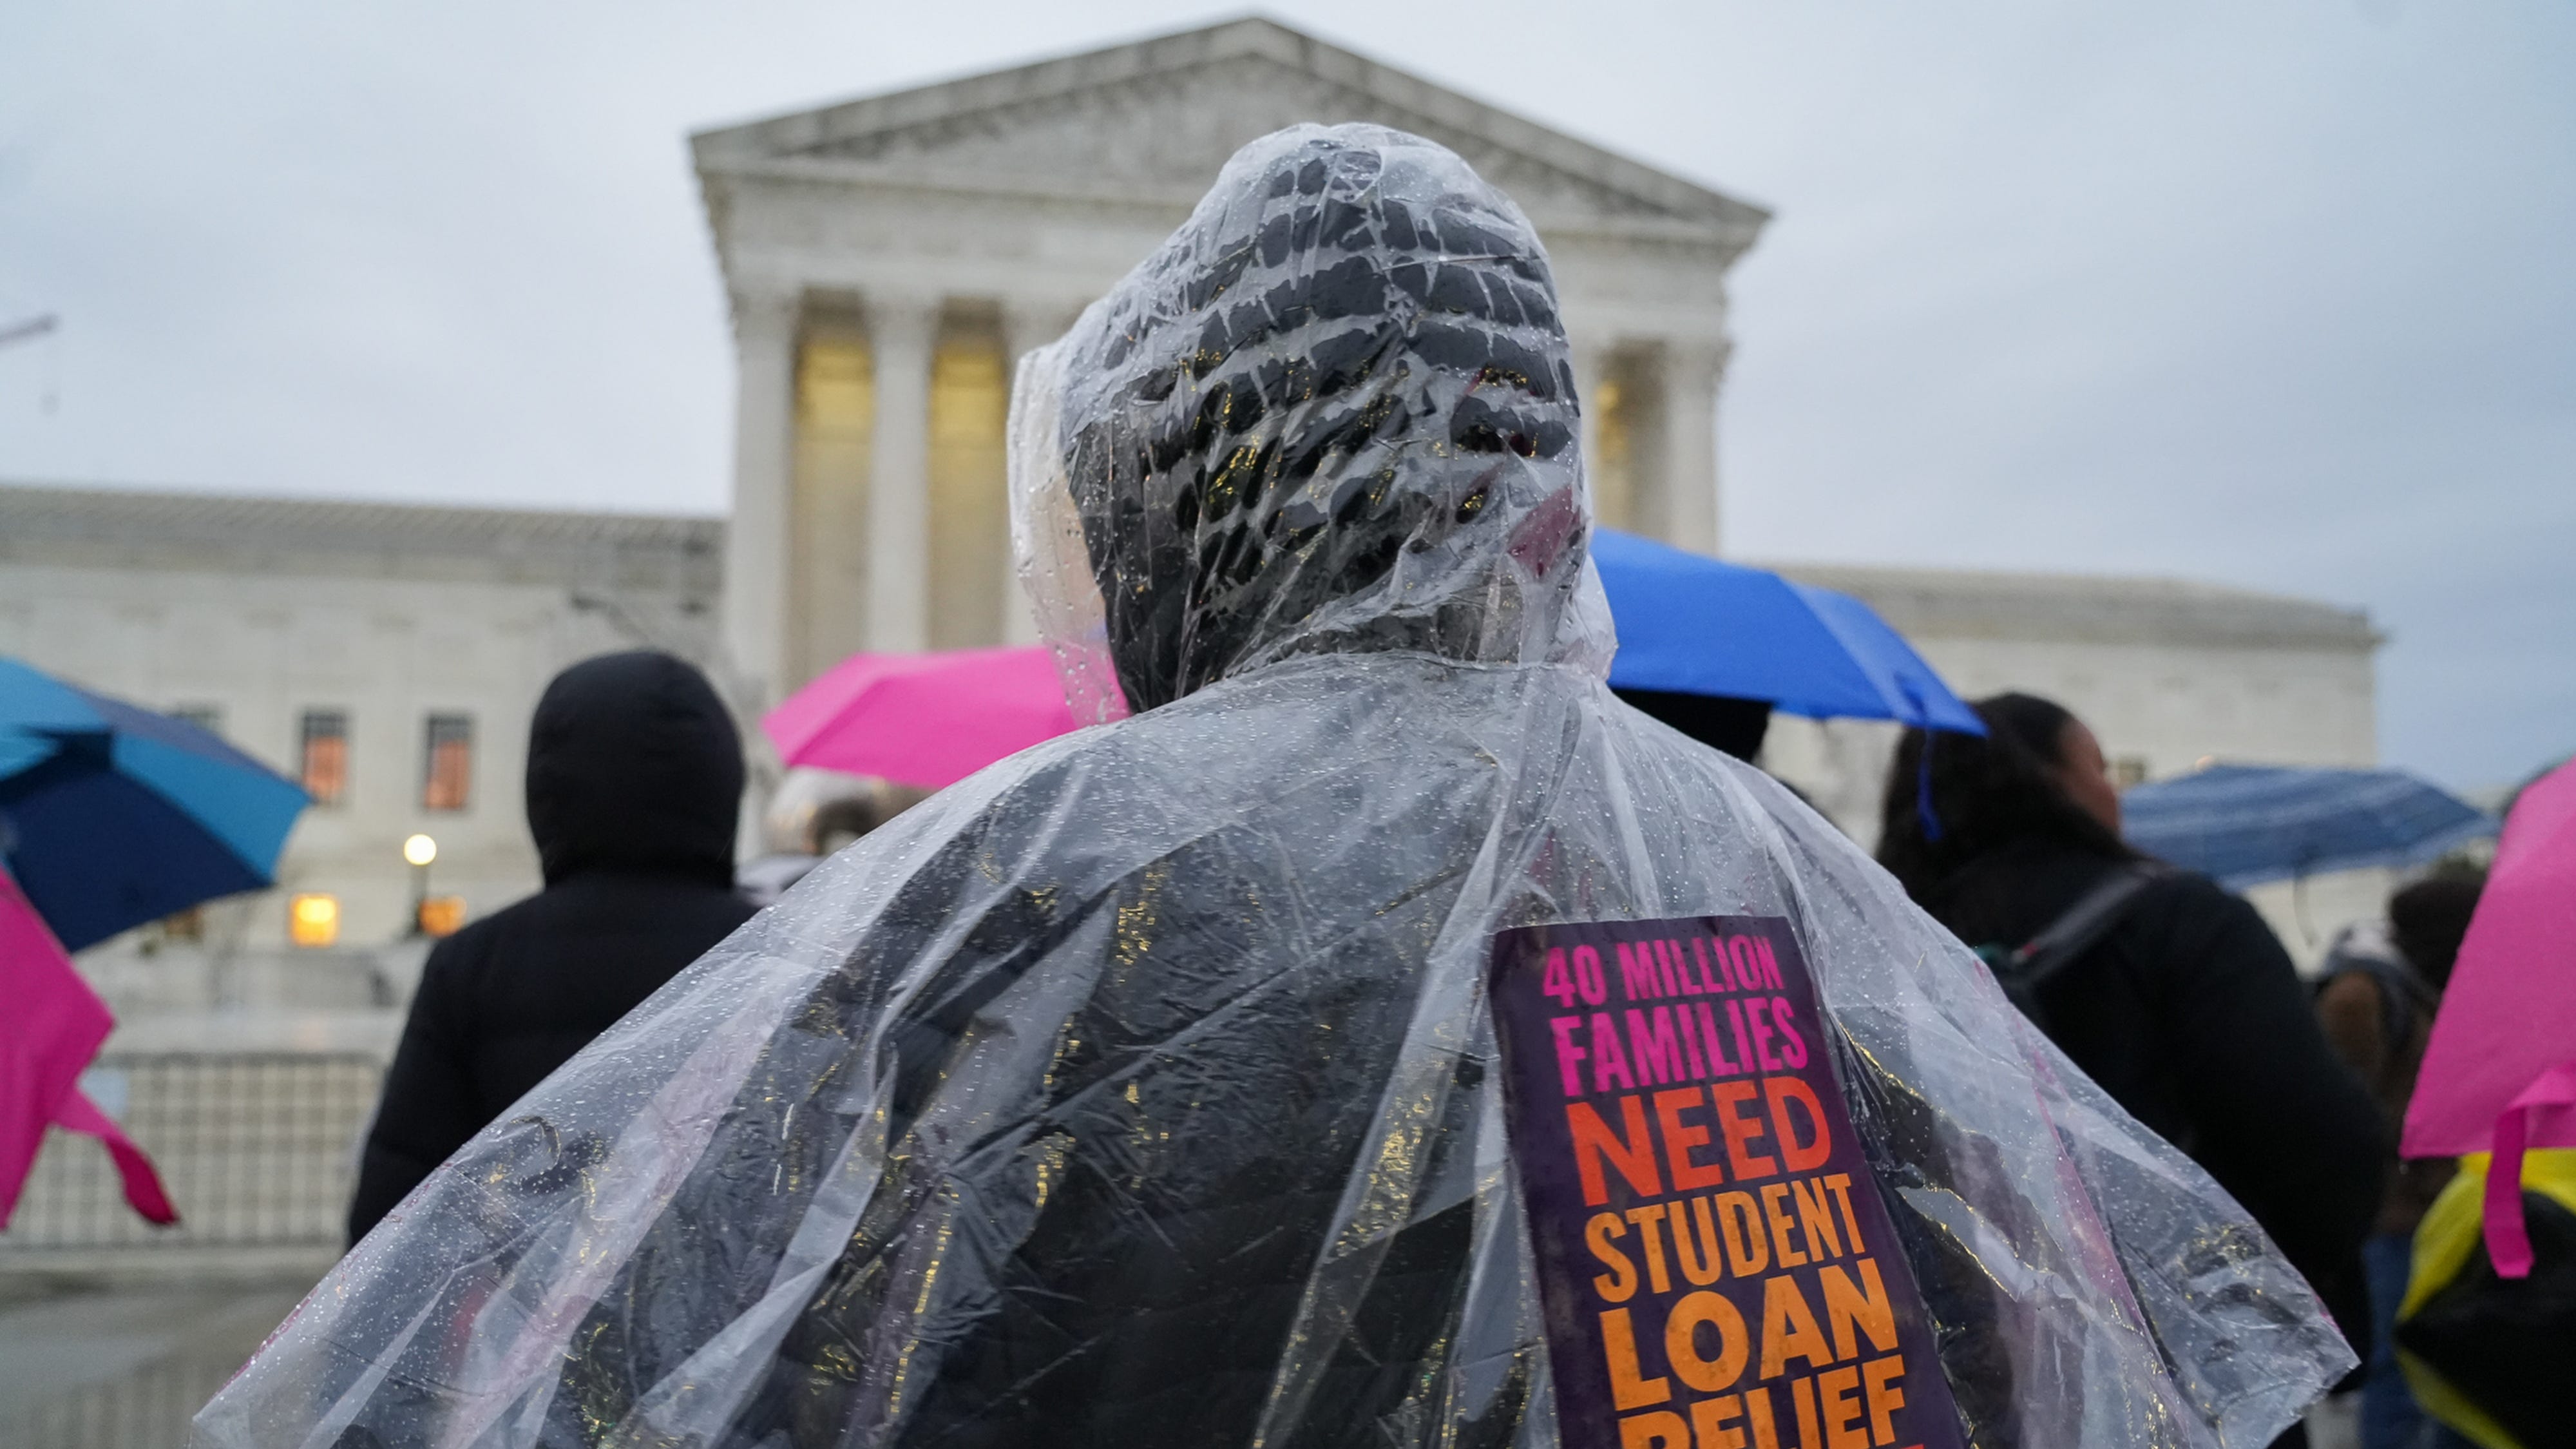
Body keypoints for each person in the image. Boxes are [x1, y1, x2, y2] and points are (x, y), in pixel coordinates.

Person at [213, 128, 2351, 1449]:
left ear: (1153, 495)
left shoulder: (1006, 882)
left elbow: (690, 1366)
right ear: (1535, 467)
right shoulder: (1776, 881)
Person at [1878, 691, 2387, 1439]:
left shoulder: (1875, 934)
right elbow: (2319, 1146)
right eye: (2099, 766)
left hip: (1967, 1382)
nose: (2113, 789)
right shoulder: (2183, 919)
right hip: (2197, 1377)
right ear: (2049, 782)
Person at [345, 649, 756, 1242]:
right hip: (734, 1325)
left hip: (523, 1319)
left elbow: (396, 1210)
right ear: (720, 782)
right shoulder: (775, 951)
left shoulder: (476, 964)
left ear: (547, 785)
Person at [2315, 873, 2483, 1449]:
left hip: (2447, 1203)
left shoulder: (2418, 983)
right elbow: (2340, 1109)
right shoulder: (2361, 992)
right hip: (2397, 1212)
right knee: (2400, 1365)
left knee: (2460, 1362)